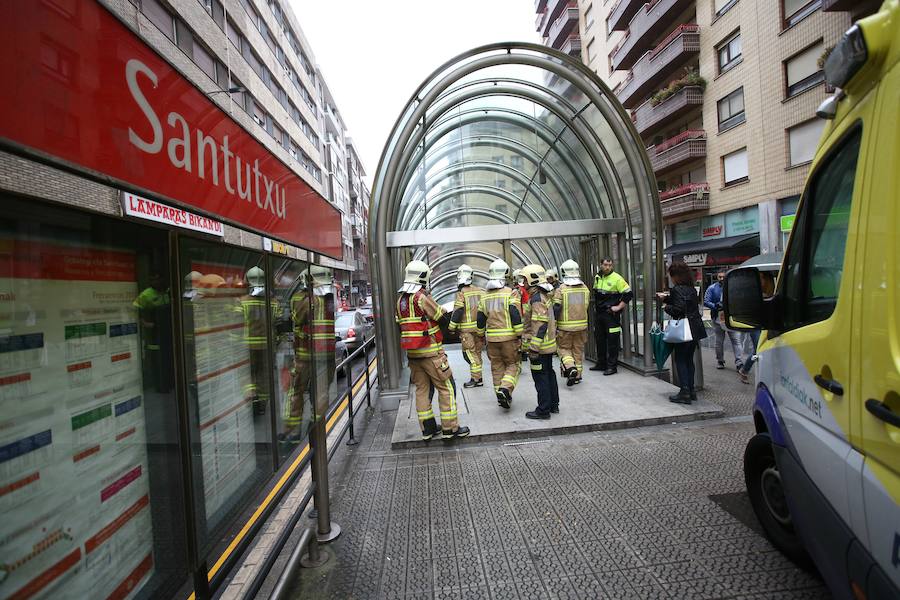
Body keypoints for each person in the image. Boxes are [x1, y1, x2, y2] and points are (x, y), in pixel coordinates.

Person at [396, 260, 469, 441]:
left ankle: (428, 429)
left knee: (421, 390)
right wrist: (442, 311)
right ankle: (450, 429)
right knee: (447, 388)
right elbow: (441, 317)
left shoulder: (400, 300)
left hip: (413, 355)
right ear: (423, 277)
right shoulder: (421, 297)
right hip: (432, 354)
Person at [284, 265, 335, 442]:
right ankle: (316, 427)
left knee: (297, 391)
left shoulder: (301, 299)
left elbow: (297, 318)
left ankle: (294, 431)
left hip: (305, 356)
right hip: (325, 355)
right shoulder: (328, 298)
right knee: (321, 393)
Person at [657, 261, 708, 404]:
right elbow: (686, 304)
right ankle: (691, 391)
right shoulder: (692, 289)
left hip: (683, 329)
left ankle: (684, 391)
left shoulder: (677, 289)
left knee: (680, 359)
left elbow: (679, 309)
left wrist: (666, 306)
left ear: (675, 276)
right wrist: (667, 297)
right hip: (695, 329)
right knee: (689, 360)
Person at [476, 259, 524, 409]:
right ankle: (505, 388)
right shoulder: (511, 293)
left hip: (492, 340)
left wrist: (480, 334)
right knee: (513, 365)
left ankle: (500, 395)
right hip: (509, 338)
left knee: (496, 367)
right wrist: (519, 334)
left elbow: (480, 318)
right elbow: (515, 313)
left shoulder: (484, 296)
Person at [520, 265, 561, 419]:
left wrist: (534, 348)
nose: (523, 283)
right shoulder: (544, 295)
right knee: (549, 374)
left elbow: (540, 324)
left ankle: (543, 410)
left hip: (540, 348)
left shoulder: (536, 299)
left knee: (541, 377)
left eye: (525, 279)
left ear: (532, 279)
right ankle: (553, 405)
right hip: (548, 345)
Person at [591, 257, 632, 375]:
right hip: (599, 314)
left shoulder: (617, 278)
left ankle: (612, 367)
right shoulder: (598, 277)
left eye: (610, 265)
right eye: (605, 265)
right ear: (601, 265)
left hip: (611, 315)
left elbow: (629, 294)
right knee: (600, 340)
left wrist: (618, 307)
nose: (607, 267)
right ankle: (601, 363)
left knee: (612, 341)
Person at [134, 271, 173, 393]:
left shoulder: (168, 292)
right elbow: (135, 310)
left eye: (158, 279)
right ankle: (160, 386)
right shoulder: (146, 294)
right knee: (157, 359)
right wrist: (144, 322)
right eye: (153, 280)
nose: (156, 282)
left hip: (168, 331)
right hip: (154, 334)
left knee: (169, 358)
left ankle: (169, 383)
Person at [554, 259, 590, 386]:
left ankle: (570, 368)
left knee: (564, 349)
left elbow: (556, 308)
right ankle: (577, 375)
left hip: (565, 327)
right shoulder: (585, 288)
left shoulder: (561, 289)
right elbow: (586, 305)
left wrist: (554, 323)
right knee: (578, 351)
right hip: (582, 326)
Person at [448, 264, 485, 388]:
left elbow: (458, 311)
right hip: (479, 329)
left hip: (466, 330)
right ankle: (478, 377)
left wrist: (451, 327)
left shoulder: (461, 293)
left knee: (469, 354)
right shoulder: (480, 291)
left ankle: (476, 379)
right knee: (477, 353)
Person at [738, 270, 777, 384]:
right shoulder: (754, 293)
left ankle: (746, 371)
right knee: (758, 350)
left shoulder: (773, 292)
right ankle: (746, 371)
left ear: (767, 280)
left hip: (768, 325)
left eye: (761, 278)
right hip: (757, 325)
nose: (758, 281)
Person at [704, 270, 744, 370]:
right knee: (719, 341)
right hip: (718, 317)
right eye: (720, 277)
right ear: (717, 277)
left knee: (736, 340)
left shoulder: (734, 287)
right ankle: (720, 360)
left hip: (731, 317)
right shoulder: (712, 288)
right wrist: (716, 306)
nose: (721, 279)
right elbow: (706, 301)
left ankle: (739, 361)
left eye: (723, 276)